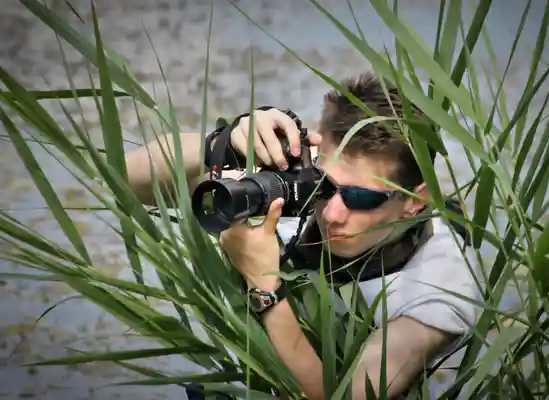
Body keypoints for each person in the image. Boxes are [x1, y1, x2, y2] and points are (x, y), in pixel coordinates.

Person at [125, 71, 480, 399]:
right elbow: (126, 182)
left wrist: (265, 288)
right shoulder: (295, 181)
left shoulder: (438, 287)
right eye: (325, 185)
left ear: (415, 201)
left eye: (361, 198)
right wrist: (222, 144)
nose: (333, 214)